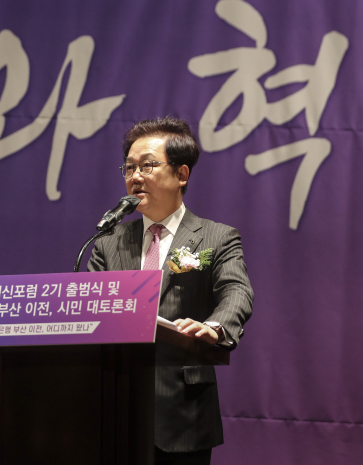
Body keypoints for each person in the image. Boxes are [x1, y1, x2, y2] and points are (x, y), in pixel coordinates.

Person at [88, 116, 253, 464]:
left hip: (182, 409)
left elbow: (236, 292)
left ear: (181, 174)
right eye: (129, 167)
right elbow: (91, 308)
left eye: (147, 165)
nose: (135, 176)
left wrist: (215, 326)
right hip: (112, 406)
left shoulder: (217, 237)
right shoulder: (108, 243)